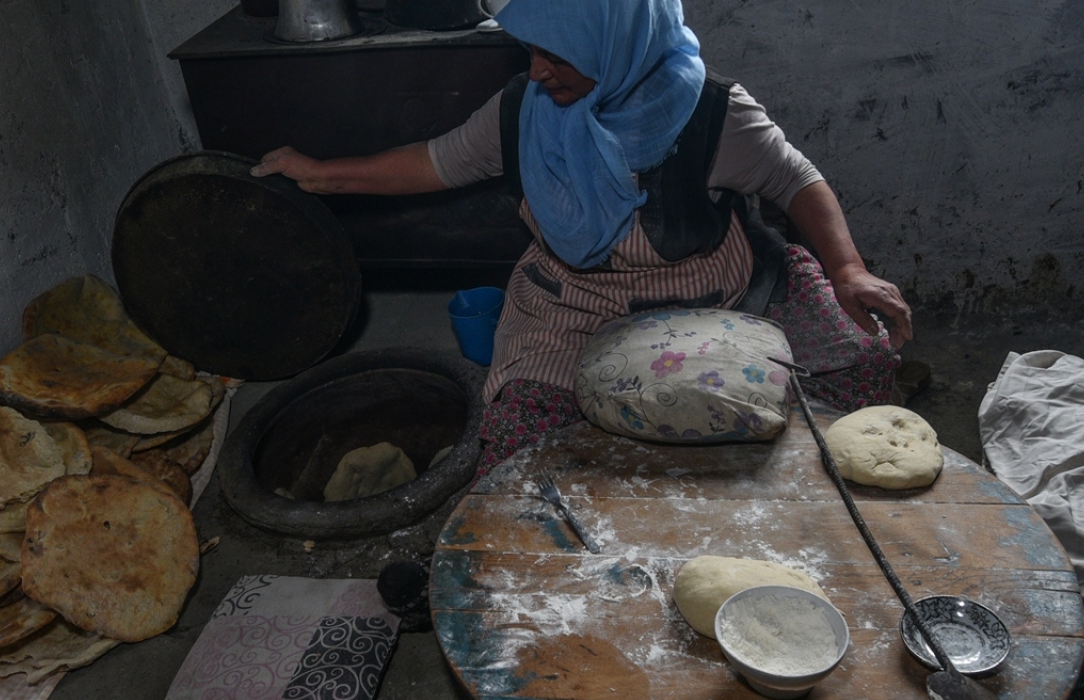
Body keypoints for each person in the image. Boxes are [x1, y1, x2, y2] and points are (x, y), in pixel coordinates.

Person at [252, 0, 915, 477]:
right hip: (574, 308)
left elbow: (796, 180)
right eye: (531, 50)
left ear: (615, 40)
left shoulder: (712, 113)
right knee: (519, 449)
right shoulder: (524, 111)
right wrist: (321, 174)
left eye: (555, 52)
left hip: (721, 300)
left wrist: (848, 269)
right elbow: (433, 160)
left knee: (859, 369)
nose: (537, 70)